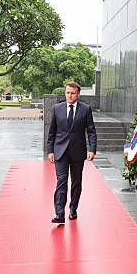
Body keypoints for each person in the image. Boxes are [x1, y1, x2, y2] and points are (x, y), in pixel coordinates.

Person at [47, 82, 97, 223]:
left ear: (78, 94)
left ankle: (73, 208)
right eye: (67, 93)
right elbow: (52, 132)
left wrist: (92, 149)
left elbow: (91, 131)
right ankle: (59, 213)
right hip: (60, 152)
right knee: (61, 181)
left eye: (73, 93)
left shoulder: (86, 109)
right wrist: (50, 150)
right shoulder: (57, 109)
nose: (70, 95)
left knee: (76, 182)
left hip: (78, 152)